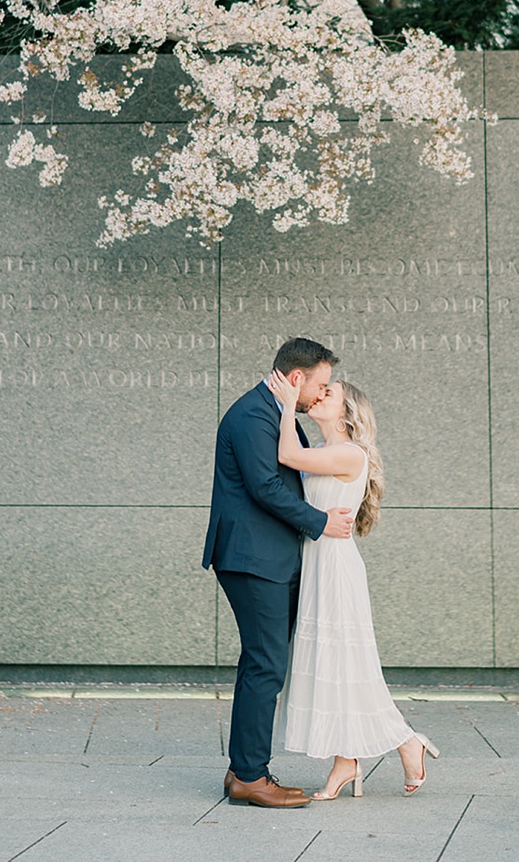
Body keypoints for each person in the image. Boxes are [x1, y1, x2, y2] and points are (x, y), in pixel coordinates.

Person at [265, 368, 439, 799]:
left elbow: (287, 455)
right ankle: (347, 762)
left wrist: (287, 404)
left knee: (351, 667)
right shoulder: (326, 448)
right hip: (318, 565)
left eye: (330, 392)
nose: (320, 395)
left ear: (347, 413)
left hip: (337, 571)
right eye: (321, 389)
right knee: (333, 668)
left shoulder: (351, 454)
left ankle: (405, 740)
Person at [203, 337, 356, 808]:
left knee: (262, 662)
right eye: (321, 384)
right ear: (296, 378)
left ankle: (243, 769)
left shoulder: (274, 413)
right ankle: (250, 776)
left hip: (269, 558)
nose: (322, 393)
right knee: (266, 664)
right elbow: (265, 486)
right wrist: (322, 523)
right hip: (252, 560)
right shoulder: (253, 415)